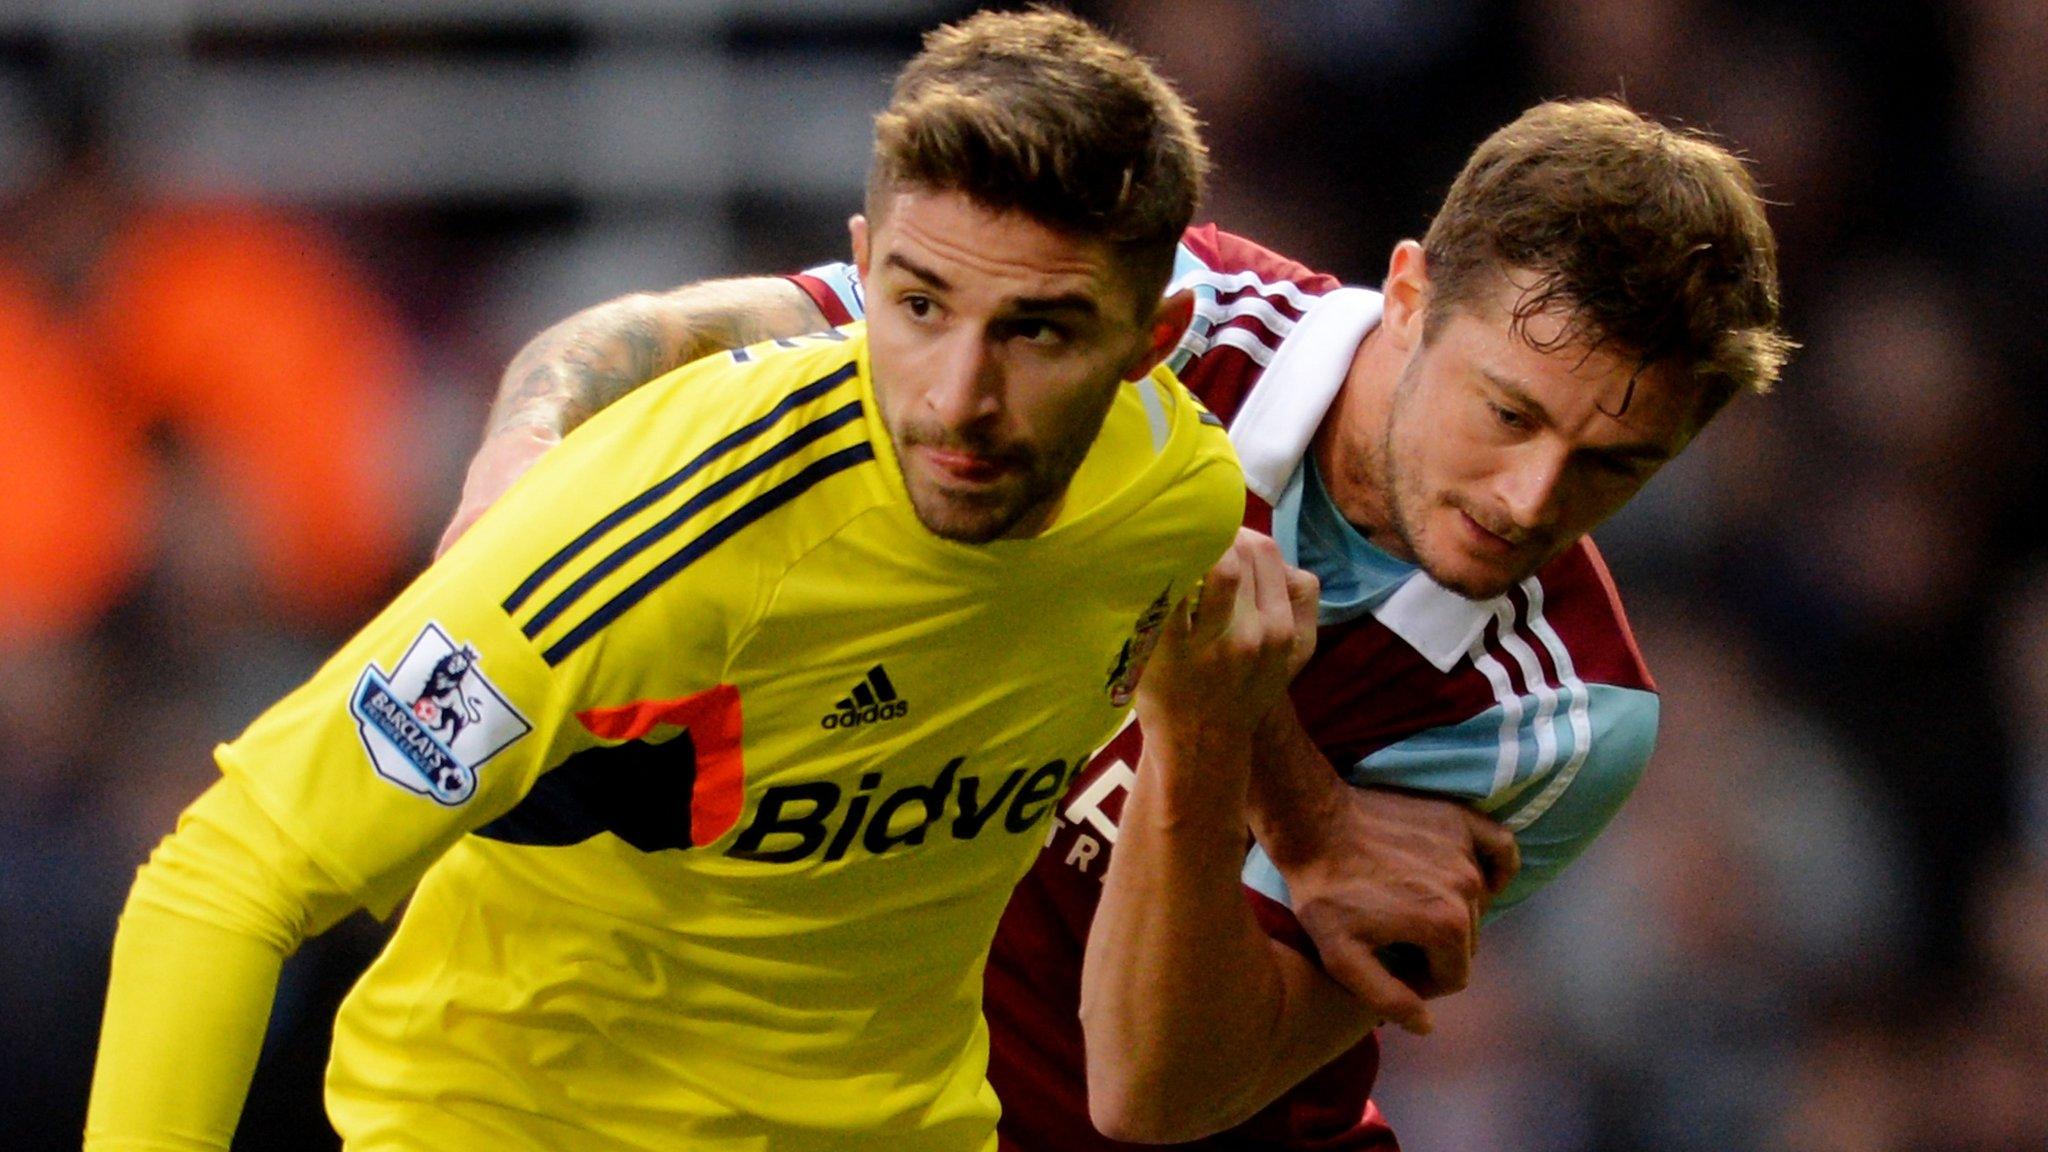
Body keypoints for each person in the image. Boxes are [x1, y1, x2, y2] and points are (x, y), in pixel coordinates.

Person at [441, 97, 1795, 1148]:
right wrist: (515, 469)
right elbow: (666, 341)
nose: (1532, 498)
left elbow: (1152, 1089)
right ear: (1410, 293)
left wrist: (1210, 735)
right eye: (1509, 411)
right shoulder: (1167, 318)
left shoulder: (1555, 711)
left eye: (1618, 465)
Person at [84, 12, 1285, 1151]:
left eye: (1038, 332)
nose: (955, 398)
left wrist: (1312, 818)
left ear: (1149, 337)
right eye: (918, 307)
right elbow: (225, 879)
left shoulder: (1175, 508)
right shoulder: (685, 513)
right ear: (861, 274)